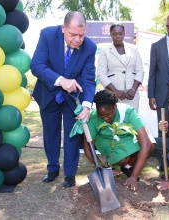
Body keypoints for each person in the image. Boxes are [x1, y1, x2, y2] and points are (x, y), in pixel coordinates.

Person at [30, 11, 96, 187]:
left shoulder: (90, 47)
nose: (77, 40)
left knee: (72, 136)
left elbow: (89, 79)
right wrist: (61, 81)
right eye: (72, 34)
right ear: (63, 29)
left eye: (81, 35)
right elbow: (36, 66)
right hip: (48, 93)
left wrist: (87, 105)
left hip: (72, 99)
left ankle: (70, 174)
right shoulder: (47, 35)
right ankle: (52, 168)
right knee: (50, 133)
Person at [83, 90, 156, 191]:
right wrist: (103, 169)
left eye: (108, 115)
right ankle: (117, 164)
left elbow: (146, 144)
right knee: (121, 159)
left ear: (115, 107)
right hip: (105, 138)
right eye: (102, 116)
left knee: (151, 145)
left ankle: (127, 167)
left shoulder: (128, 111)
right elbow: (88, 147)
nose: (105, 119)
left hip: (125, 136)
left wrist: (134, 176)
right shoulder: (93, 117)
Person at [97, 23, 144, 112]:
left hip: (132, 95)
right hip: (112, 95)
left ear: (124, 34)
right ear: (110, 35)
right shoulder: (105, 51)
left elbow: (140, 71)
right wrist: (115, 91)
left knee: (132, 123)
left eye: (120, 33)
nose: (117, 36)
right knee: (114, 123)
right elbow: (101, 74)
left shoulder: (134, 49)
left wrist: (133, 89)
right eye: (114, 34)